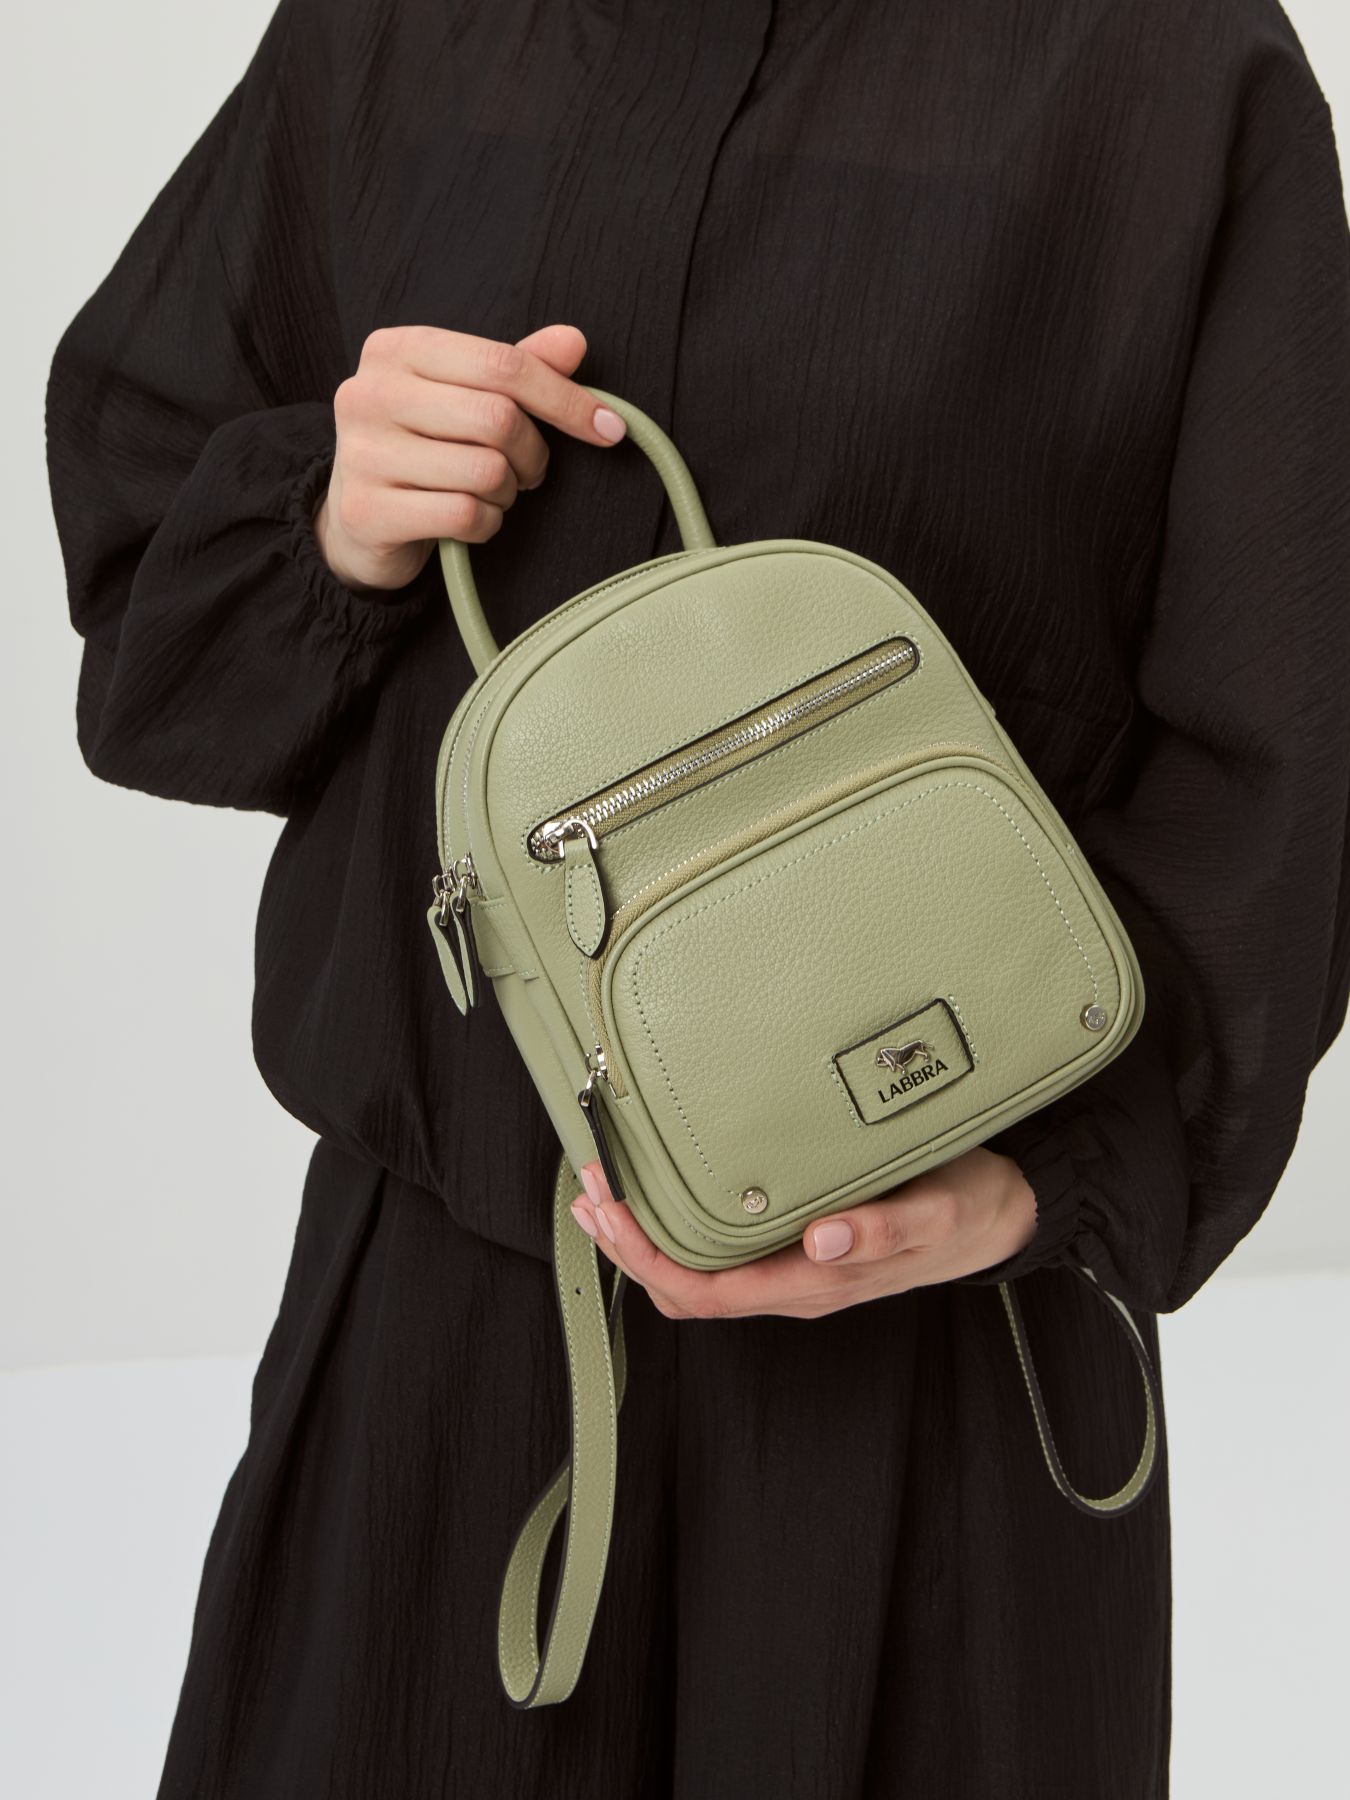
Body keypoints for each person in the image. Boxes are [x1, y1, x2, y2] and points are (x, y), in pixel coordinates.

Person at [44, 0, 1350, 1794]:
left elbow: (1287, 727)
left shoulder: (1164, 65)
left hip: (938, 1366)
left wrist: (1047, 1180)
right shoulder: (398, 27)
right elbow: (150, 605)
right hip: (429, 1356)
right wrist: (337, 518)